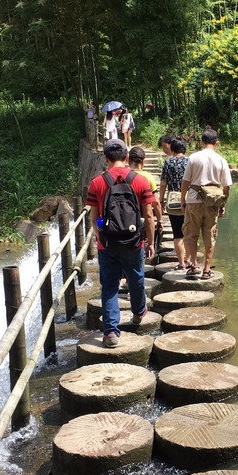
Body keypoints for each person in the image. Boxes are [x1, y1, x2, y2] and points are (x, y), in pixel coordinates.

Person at [86, 139, 156, 348]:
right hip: (134, 242)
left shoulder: (97, 183)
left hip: (107, 244)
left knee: (109, 286)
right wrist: (150, 242)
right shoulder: (140, 181)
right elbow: (149, 216)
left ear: (105, 159)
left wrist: (101, 237)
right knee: (136, 278)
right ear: (126, 157)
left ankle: (110, 333)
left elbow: (94, 218)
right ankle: (138, 312)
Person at [181, 128, 232, 279]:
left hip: (193, 200)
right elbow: (227, 186)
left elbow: (186, 181)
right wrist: (223, 203)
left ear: (202, 142)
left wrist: (183, 199)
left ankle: (193, 265)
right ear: (216, 142)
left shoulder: (194, 158)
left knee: (191, 234)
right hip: (213, 202)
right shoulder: (221, 160)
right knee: (210, 236)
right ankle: (207, 269)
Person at [159, 137, 188, 270]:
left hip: (173, 201)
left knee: (177, 233)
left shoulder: (169, 162)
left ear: (173, 149)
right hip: (189, 201)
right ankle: (190, 261)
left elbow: (163, 184)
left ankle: (181, 263)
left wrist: (161, 200)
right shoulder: (190, 162)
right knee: (189, 233)